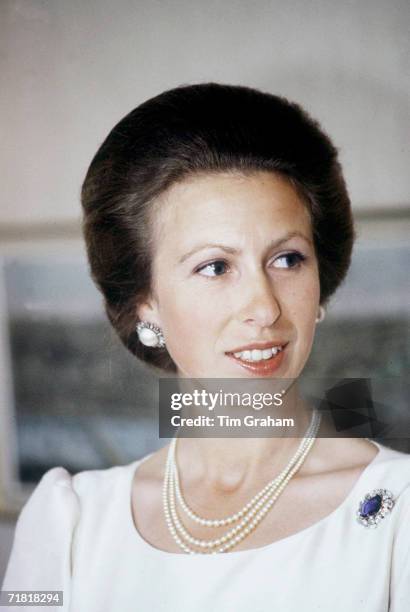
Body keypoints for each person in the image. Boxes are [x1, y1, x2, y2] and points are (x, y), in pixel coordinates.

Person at [2, 83, 409, 611]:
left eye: (287, 259)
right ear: (146, 301)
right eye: (215, 267)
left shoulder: (397, 511)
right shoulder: (70, 523)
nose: (264, 307)